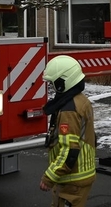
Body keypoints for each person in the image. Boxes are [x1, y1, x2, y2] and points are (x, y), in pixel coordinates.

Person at [39, 55, 96, 207]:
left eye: (53, 83)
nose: (52, 87)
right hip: (79, 177)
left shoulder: (68, 110)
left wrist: (49, 177)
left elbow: (70, 150)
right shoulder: (81, 100)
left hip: (72, 179)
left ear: (62, 83)